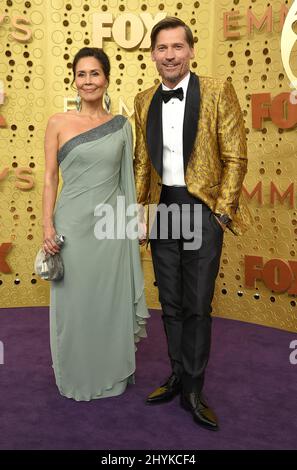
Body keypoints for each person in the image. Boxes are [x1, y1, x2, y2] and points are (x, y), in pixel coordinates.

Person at [133, 18, 252, 429]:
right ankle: (178, 373)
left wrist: (221, 213)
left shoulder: (218, 90)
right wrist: (141, 212)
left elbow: (236, 156)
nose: (170, 55)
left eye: (177, 47)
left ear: (191, 50)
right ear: (152, 54)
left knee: (198, 303)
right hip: (164, 208)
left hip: (202, 210)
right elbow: (142, 165)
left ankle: (194, 388)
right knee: (170, 302)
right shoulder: (143, 98)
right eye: (162, 48)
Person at [42, 47, 149, 401]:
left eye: (95, 74)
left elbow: (127, 181)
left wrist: (132, 224)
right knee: (74, 303)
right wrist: (47, 227)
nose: (88, 81)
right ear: (75, 80)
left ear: (106, 79)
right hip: (71, 226)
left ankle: (111, 373)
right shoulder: (58, 122)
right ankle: (74, 371)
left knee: (108, 301)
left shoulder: (121, 126)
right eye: (82, 74)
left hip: (110, 228)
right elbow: (50, 178)